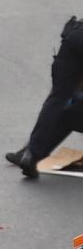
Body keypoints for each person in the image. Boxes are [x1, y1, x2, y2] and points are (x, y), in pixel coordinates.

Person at [6, 15, 83, 178]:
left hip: (76, 34)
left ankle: (31, 153)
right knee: (68, 107)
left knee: (59, 102)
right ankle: (32, 152)